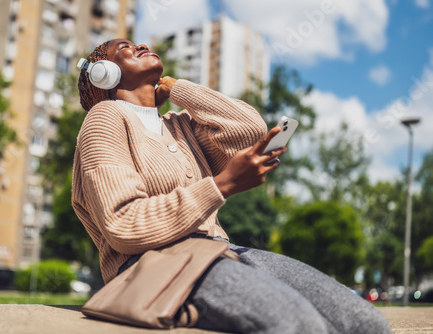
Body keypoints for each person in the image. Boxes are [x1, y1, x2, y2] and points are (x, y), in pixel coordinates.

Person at [72, 38, 392, 334]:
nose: (142, 45)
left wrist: (176, 88)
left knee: (365, 322)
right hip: (155, 266)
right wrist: (221, 185)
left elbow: (249, 130)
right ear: (105, 73)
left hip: (218, 251)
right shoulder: (105, 118)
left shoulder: (179, 125)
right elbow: (123, 225)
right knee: (297, 322)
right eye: (125, 48)